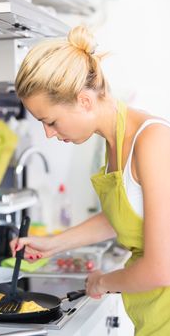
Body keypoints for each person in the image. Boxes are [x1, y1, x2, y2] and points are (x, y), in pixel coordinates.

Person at [10, 26, 170, 336]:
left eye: (51, 121)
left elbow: (161, 268)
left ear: (84, 101)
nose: (48, 133)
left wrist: (103, 282)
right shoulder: (115, 142)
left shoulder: (151, 141)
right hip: (154, 317)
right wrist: (52, 245)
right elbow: (124, 216)